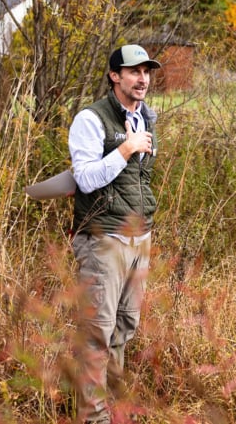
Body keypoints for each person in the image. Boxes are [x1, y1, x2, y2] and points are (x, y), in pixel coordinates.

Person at [68, 44, 161, 423]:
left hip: (139, 236)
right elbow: (85, 179)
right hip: (103, 239)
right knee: (96, 334)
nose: (142, 78)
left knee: (125, 326)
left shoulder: (146, 118)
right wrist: (125, 148)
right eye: (133, 71)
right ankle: (93, 418)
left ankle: (114, 409)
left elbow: (137, 181)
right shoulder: (90, 119)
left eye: (146, 71)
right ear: (114, 76)